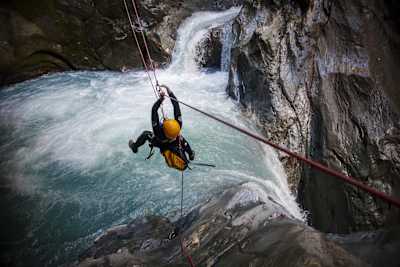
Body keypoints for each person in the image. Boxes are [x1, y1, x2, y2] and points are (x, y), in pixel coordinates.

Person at [129, 86, 195, 171]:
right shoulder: (178, 125)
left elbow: (154, 110)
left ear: (163, 128)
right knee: (182, 141)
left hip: (161, 143)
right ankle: (190, 153)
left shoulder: (158, 133)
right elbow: (176, 106)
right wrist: (170, 92)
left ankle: (135, 147)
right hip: (176, 142)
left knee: (146, 134)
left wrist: (161, 99)